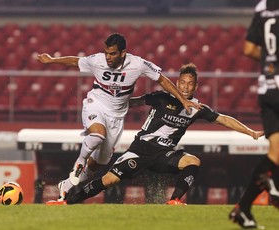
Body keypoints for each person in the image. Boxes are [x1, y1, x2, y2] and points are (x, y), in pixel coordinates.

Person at [45, 63, 264, 206]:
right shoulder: (162, 98)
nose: (186, 86)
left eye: (190, 83)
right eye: (183, 82)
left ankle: (175, 200)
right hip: (140, 152)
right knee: (109, 180)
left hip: (164, 155)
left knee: (193, 161)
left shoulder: (197, 108)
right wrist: (107, 103)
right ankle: (67, 201)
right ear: (177, 83)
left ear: (196, 86)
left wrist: (251, 132)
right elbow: (134, 101)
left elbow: (224, 118)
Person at [37, 33, 200, 202]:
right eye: (106, 52)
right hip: (96, 104)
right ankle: (78, 164)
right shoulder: (97, 60)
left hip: (117, 117)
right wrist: (51, 60)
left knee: (98, 164)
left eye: (113, 53)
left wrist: (182, 99)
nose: (108, 57)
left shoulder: (137, 64)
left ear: (123, 53)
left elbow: (162, 80)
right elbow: (75, 61)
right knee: (97, 135)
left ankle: (67, 185)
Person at [229, 0, 279, 228]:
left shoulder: (263, 6)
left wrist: (271, 61)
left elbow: (249, 48)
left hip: (267, 88)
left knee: (276, 153)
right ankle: (272, 182)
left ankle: (243, 209)